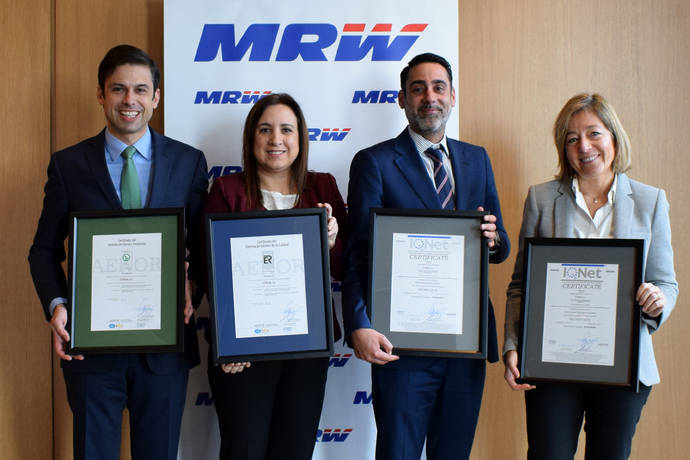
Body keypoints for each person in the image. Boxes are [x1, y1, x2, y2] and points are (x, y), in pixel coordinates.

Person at [28, 44, 208, 460]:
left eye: (141, 90)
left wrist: (192, 283)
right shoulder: (68, 165)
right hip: (91, 350)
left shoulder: (188, 162)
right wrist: (57, 304)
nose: (130, 101)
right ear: (101, 94)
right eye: (119, 89)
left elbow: (202, 246)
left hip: (164, 352)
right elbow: (43, 249)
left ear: (156, 98)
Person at [342, 52, 510, 459]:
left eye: (438, 87)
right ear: (402, 99)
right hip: (402, 345)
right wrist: (359, 324)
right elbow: (357, 254)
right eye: (417, 88)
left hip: (466, 342)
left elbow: (500, 243)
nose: (429, 97)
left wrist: (493, 240)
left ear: (453, 97)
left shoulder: (477, 159)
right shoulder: (375, 163)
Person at [503, 93, 678, 460]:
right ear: (563, 148)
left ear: (614, 137)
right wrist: (512, 345)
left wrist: (657, 300)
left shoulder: (650, 202)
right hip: (552, 367)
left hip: (623, 369)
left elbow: (665, 282)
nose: (584, 146)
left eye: (594, 133)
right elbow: (521, 284)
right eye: (571, 138)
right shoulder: (541, 199)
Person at [204, 93, 346, 460]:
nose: (276, 139)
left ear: (301, 138)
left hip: (306, 350)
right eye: (265, 130)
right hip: (244, 355)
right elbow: (212, 270)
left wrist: (331, 243)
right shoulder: (226, 191)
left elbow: (349, 265)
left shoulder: (323, 188)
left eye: (286, 129)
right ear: (251, 138)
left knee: (295, 450)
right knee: (243, 450)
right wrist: (227, 344)